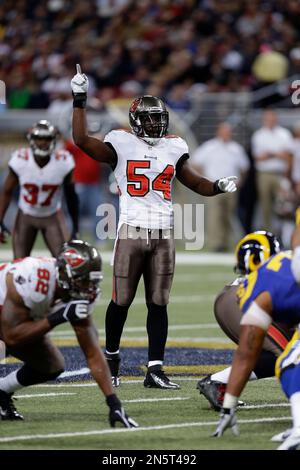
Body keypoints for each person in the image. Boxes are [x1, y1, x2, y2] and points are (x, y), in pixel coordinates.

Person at [71, 64, 238, 390]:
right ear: (135, 121)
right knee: (121, 300)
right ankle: (111, 359)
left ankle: (155, 369)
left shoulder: (174, 146)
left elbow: (194, 182)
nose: (155, 123)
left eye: (159, 118)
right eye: (149, 119)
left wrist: (217, 185)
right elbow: (80, 140)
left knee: (159, 303)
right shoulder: (119, 142)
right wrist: (79, 98)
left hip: (163, 234)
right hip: (131, 231)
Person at [0, 239, 137, 428]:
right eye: (83, 280)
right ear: (64, 273)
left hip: (15, 322)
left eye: (92, 281)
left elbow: (92, 353)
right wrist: (56, 318)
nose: (88, 288)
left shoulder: (79, 293)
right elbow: (11, 336)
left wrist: (113, 403)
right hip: (7, 322)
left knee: (51, 364)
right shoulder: (32, 278)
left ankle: (2, 391)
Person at [197, 230, 294, 411]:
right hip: (244, 299)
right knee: (290, 354)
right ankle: (218, 381)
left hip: (235, 296)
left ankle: (219, 382)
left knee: (284, 350)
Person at [212, 248, 300, 440]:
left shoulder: (265, 291)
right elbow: (246, 353)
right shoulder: (267, 289)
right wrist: (228, 407)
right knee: (289, 361)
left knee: (291, 360)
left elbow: (246, 353)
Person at [0, 120, 79, 257]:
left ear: (53, 140)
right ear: (32, 140)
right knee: (20, 264)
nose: (43, 142)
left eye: (47, 138)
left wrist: (75, 226)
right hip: (26, 215)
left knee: (63, 263)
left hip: (52, 215)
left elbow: (71, 196)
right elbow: (6, 192)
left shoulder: (63, 162)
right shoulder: (20, 160)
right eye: (39, 138)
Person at [192, 122, 249, 252]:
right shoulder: (209, 147)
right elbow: (195, 163)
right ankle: (216, 243)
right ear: (219, 132)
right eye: (224, 131)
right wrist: (204, 179)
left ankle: (225, 241)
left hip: (230, 186)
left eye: (228, 132)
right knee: (215, 214)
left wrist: (240, 181)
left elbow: (245, 168)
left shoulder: (236, 148)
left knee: (228, 215)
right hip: (214, 185)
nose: (227, 134)